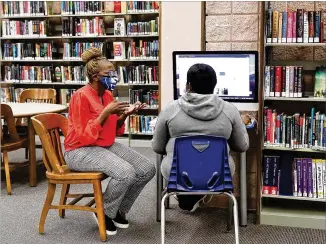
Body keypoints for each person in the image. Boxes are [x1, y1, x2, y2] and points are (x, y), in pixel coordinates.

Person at [64, 47, 156, 236]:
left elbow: (113, 130)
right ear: (96, 76)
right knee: (125, 173)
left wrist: (124, 115)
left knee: (147, 169)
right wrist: (106, 113)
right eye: (110, 73)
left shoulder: (106, 94)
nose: (115, 76)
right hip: (79, 150)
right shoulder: (80, 96)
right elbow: (84, 137)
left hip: (102, 145)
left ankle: (119, 210)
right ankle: (104, 212)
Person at [151, 63, 249, 212]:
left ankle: (187, 195)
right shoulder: (230, 110)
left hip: (176, 173)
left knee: (178, 166)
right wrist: (240, 123)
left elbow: (157, 147)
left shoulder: (170, 109)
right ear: (214, 85)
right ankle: (196, 196)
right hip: (218, 174)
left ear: (188, 86)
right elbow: (242, 146)